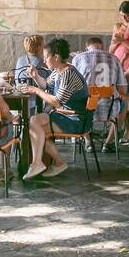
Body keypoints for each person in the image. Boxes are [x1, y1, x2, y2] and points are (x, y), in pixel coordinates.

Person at [23, 38, 82, 179]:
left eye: (46, 57)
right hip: (65, 115)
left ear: (56, 57)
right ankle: (54, 162)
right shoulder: (58, 70)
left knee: (34, 126)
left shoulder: (68, 73)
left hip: (75, 119)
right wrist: (35, 76)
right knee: (34, 127)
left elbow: (56, 102)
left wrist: (36, 91)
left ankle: (40, 163)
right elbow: (46, 85)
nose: (44, 61)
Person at [73, 35, 129, 138]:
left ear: (87, 48)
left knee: (77, 101)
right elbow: (123, 89)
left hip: (86, 108)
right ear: (102, 47)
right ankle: (109, 142)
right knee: (124, 104)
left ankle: (88, 141)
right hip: (110, 109)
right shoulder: (114, 58)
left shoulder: (78, 58)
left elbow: (73, 87)